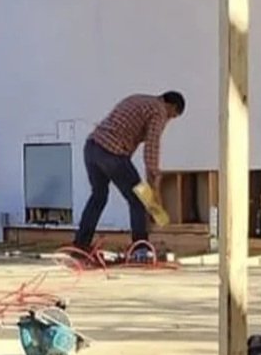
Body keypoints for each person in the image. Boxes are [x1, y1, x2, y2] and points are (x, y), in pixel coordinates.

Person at [72, 91, 185, 252]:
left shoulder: (139, 99)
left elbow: (124, 134)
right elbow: (152, 146)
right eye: (172, 116)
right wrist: (154, 178)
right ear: (171, 106)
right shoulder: (159, 110)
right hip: (112, 152)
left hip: (92, 148)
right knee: (139, 198)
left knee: (98, 196)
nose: (168, 120)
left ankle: (80, 246)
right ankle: (141, 249)